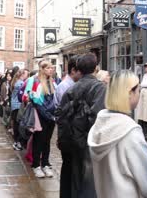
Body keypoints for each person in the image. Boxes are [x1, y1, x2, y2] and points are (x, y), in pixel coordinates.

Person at [88, 70, 147, 198]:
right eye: (138, 90)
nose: (139, 94)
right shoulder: (130, 132)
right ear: (129, 93)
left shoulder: (100, 125)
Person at [55, 53, 107, 198]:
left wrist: (62, 139)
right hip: (85, 142)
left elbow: (60, 116)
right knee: (86, 180)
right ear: (95, 68)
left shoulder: (71, 89)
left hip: (69, 140)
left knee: (69, 175)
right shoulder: (99, 88)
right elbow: (97, 117)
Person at [52, 55, 82, 198]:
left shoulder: (70, 85)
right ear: (74, 70)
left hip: (69, 134)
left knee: (69, 168)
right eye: (80, 71)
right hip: (68, 135)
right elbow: (63, 115)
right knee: (68, 168)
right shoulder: (66, 87)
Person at [25, 60, 57, 178]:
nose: (51, 70)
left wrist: (54, 115)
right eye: (48, 68)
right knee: (39, 141)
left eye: (51, 68)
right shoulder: (35, 81)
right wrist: (48, 115)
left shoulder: (52, 81)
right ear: (42, 69)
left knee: (47, 141)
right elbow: (35, 101)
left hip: (51, 117)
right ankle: (36, 165)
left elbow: (56, 99)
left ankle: (45, 164)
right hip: (40, 116)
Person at [11, 69, 29, 150]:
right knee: (18, 125)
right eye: (26, 75)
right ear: (22, 75)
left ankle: (16, 142)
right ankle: (17, 143)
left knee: (16, 124)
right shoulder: (21, 83)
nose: (27, 76)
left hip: (14, 105)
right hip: (18, 106)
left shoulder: (16, 81)